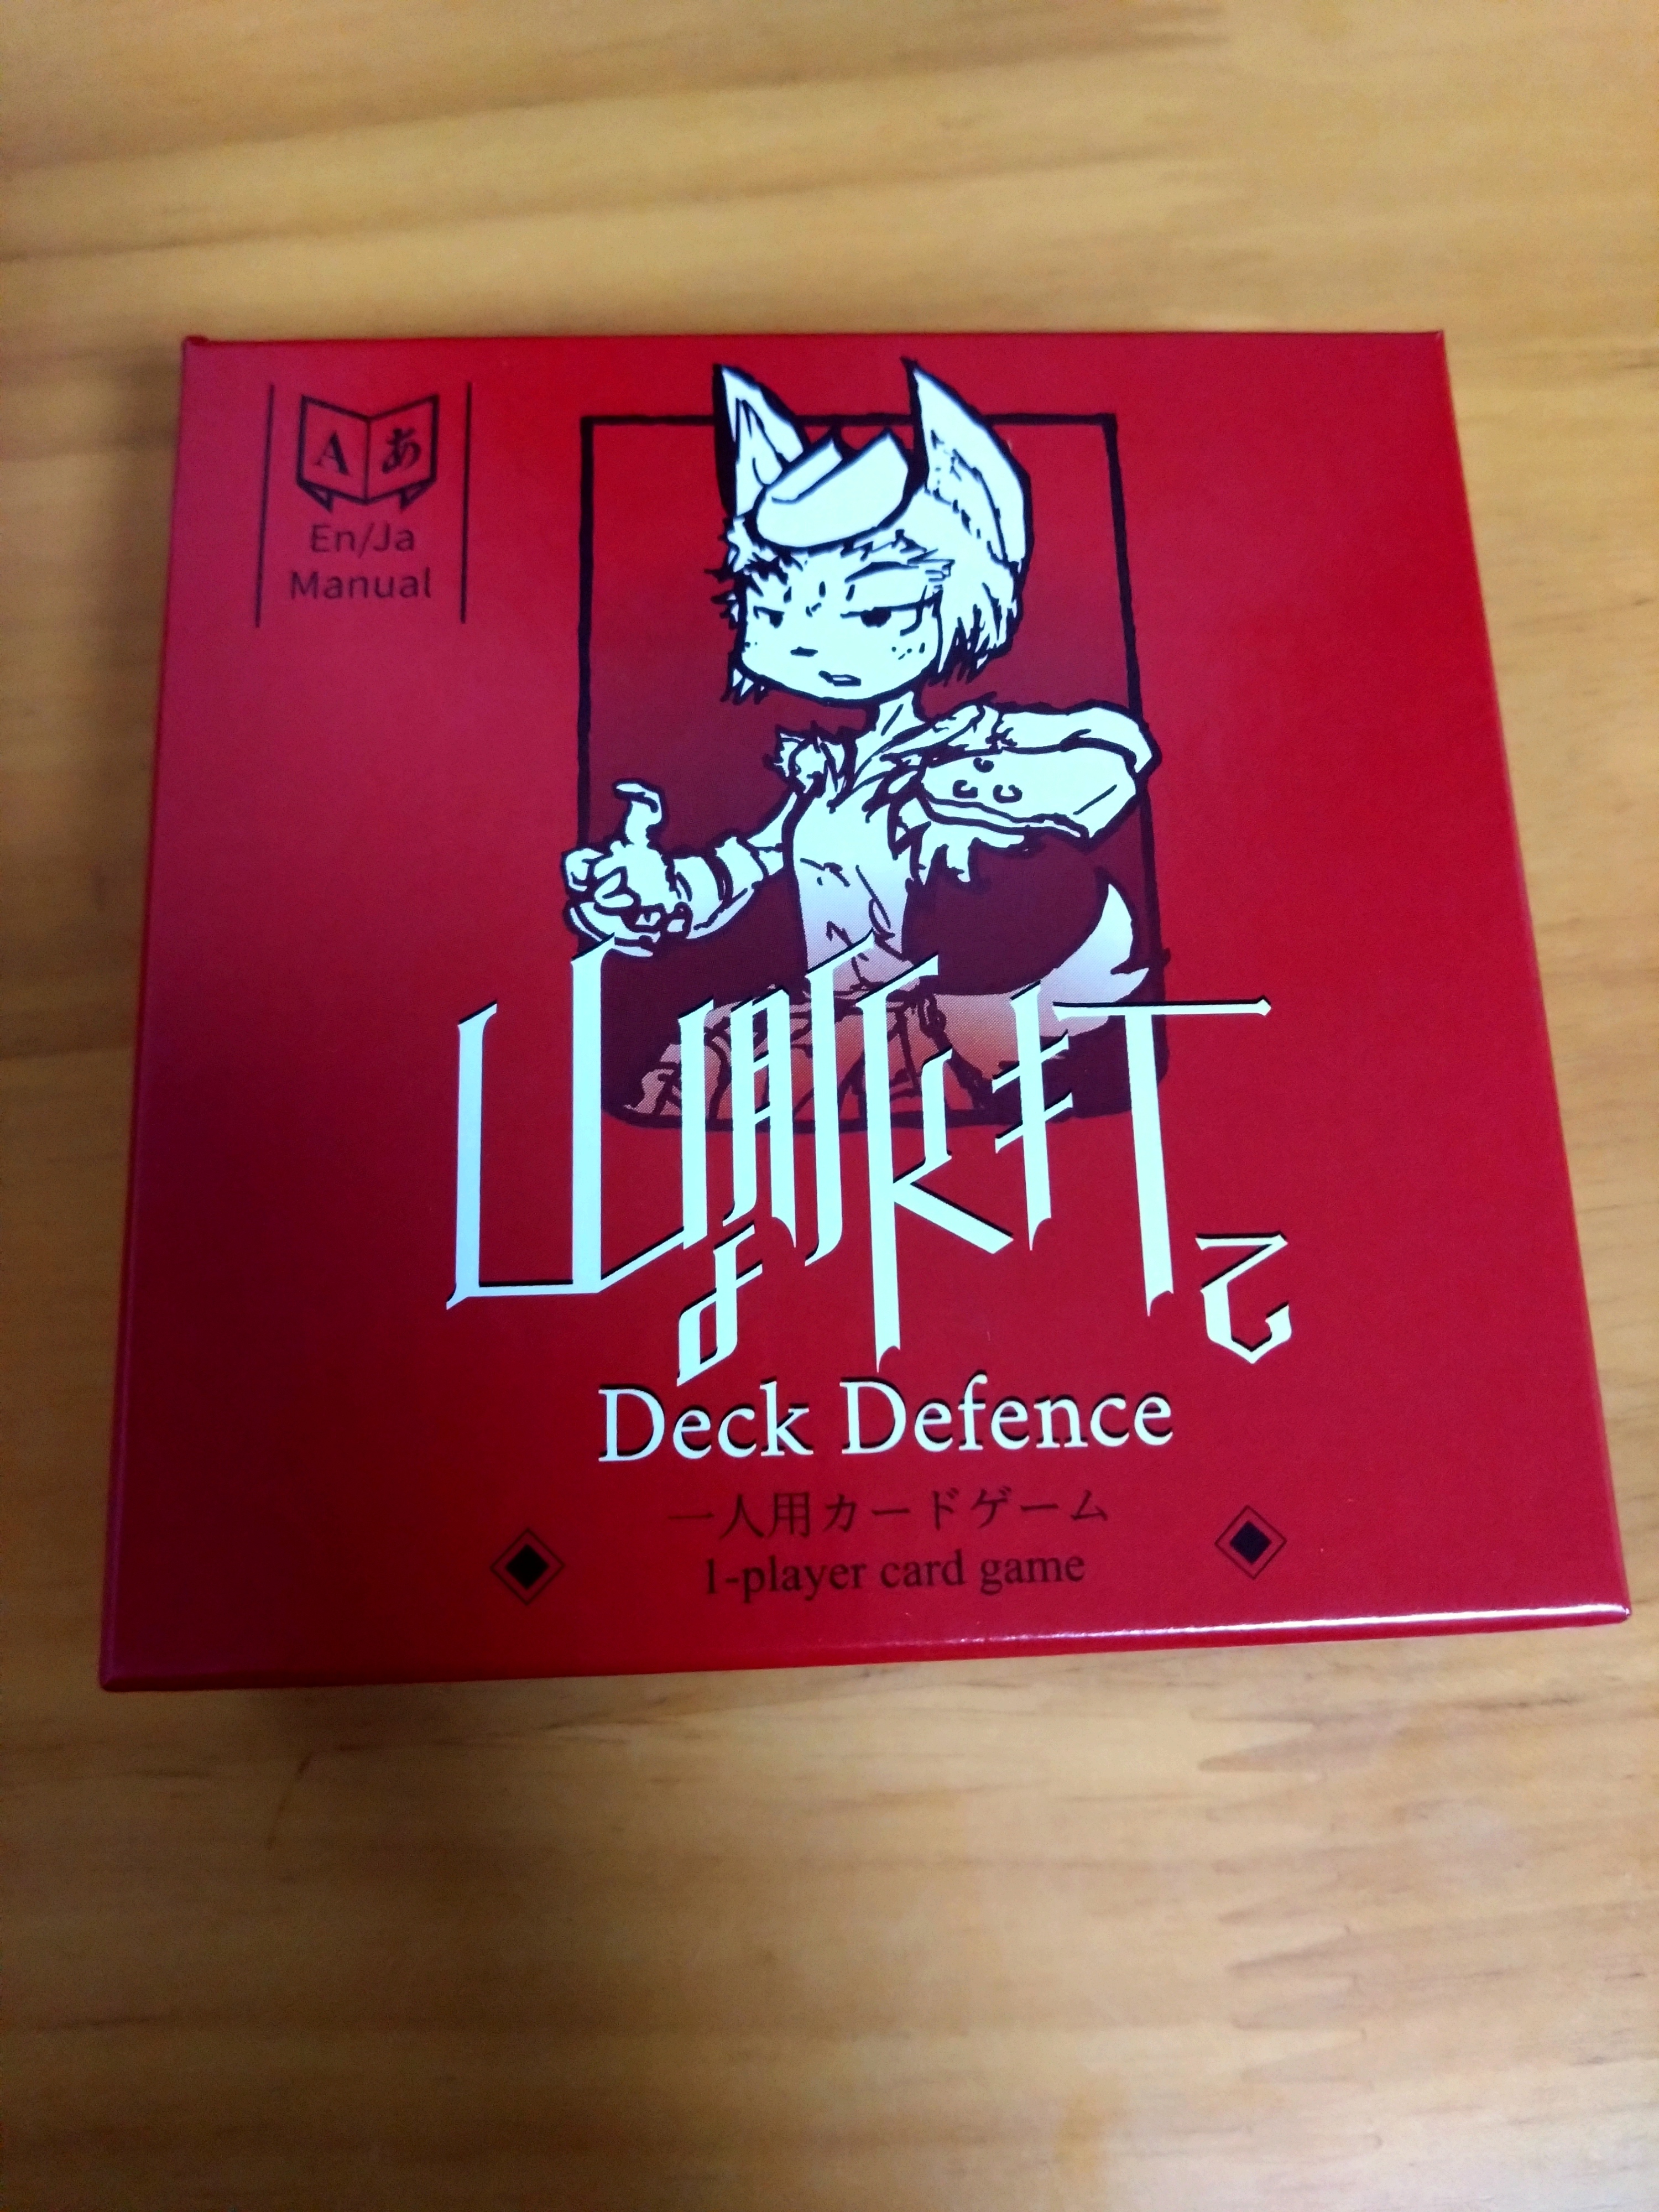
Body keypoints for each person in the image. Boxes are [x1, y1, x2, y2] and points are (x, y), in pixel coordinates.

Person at [562, 362, 1160, 1115]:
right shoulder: (833, 772)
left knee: (708, 1091)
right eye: (773, 608)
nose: (813, 648)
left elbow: (1113, 755)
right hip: (833, 1020)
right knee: (680, 1082)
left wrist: (984, 789)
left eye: (877, 611)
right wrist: (659, 895)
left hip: (916, 1036)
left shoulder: (973, 741)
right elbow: (749, 866)